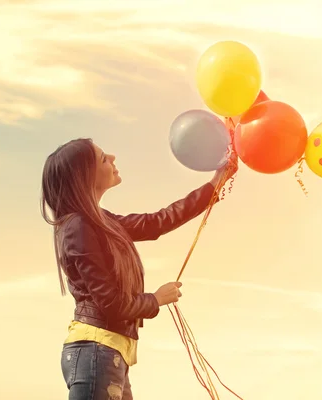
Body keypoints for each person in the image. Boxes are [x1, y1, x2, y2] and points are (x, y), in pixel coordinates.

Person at [41, 138, 237, 400]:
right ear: (85, 177)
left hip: (108, 352)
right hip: (96, 352)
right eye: (102, 158)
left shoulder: (99, 221)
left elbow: (157, 222)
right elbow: (110, 302)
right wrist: (156, 299)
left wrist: (216, 183)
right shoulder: (79, 226)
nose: (112, 156)